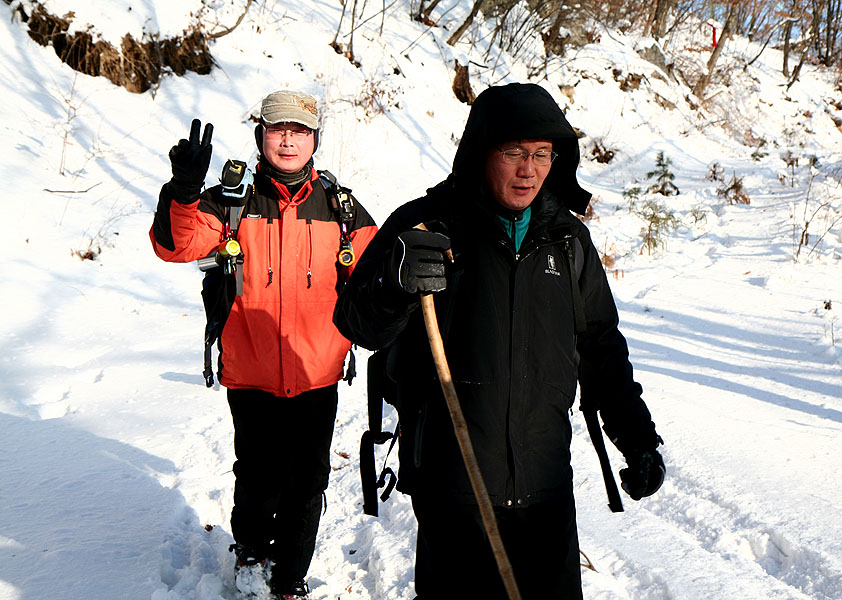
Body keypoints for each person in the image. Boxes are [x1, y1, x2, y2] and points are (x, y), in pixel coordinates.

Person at [333, 82, 665, 600]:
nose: (528, 169)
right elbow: (356, 322)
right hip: (454, 489)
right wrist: (394, 285)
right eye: (513, 152)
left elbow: (600, 344)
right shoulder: (425, 228)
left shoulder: (568, 241)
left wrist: (637, 436)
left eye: (542, 154)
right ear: (482, 152)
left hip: (545, 486)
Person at [150, 90, 377, 600]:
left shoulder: (340, 208)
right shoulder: (231, 201)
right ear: (261, 136)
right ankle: (251, 554)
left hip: (316, 373)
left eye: (300, 131)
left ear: (315, 140)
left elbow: (380, 268)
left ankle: (291, 575)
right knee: (257, 476)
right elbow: (174, 245)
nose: (288, 140)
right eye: (278, 129)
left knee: (307, 482)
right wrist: (183, 191)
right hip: (251, 373)